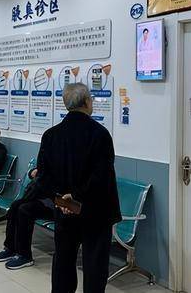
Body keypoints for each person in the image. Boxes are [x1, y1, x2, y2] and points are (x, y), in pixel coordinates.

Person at [36, 83, 121, 293]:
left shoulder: (51, 135)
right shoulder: (100, 134)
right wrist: (76, 196)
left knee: (63, 262)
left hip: (64, 212)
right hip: (96, 213)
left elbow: (43, 177)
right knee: (94, 266)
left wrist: (63, 201)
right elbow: (102, 177)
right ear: (87, 102)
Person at [0, 167, 55, 270]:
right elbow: (34, 171)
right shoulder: (49, 158)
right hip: (40, 197)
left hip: (55, 204)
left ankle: (25, 255)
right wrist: (33, 172)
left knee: (25, 210)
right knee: (15, 206)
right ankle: (10, 248)